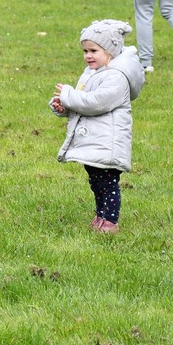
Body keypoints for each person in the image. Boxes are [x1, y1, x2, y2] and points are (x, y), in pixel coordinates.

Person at [50, 19, 144, 234]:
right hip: (94, 139)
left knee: (108, 183)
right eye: (85, 51)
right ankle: (100, 215)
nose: (88, 55)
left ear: (110, 51)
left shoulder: (116, 77)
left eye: (93, 50)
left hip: (108, 142)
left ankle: (110, 222)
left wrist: (69, 94)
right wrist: (64, 105)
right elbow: (83, 100)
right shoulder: (93, 72)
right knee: (96, 182)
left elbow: (95, 102)